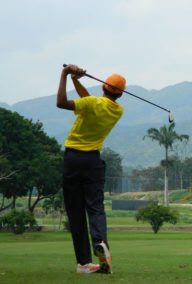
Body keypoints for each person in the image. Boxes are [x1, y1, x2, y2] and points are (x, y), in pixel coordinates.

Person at [57, 64, 126, 274]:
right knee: (95, 207)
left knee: (76, 211)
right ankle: (100, 243)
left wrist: (65, 74)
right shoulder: (117, 110)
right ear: (120, 95)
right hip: (94, 162)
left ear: (104, 86)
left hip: (73, 159)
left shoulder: (91, 103)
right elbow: (89, 101)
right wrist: (76, 80)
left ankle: (84, 262)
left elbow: (61, 103)